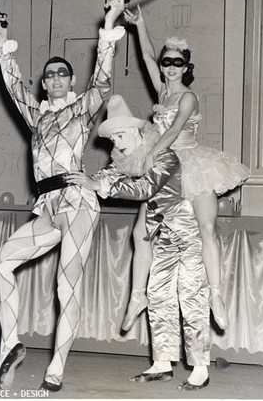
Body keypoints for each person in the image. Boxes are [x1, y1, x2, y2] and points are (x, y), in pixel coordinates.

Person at [0, 0, 126, 391]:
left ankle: (56, 369)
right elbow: (14, 87)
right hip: (46, 205)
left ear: (70, 80)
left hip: (77, 202)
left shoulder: (82, 109)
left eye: (63, 73)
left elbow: (102, 81)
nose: (58, 78)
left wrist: (110, 24)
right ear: (44, 83)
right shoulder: (37, 114)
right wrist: (1, 38)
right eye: (51, 75)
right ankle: (11, 344)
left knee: (66, 287)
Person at [67, 94, 211, 390]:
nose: (117, 143)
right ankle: (162, 362)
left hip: (189, 235)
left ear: (137, 132)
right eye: (113, 138)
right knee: (158, 295)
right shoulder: (127, 159)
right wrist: (84, 180)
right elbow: (105, 175)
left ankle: (200, 366)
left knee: (191, 295)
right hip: (166, 238)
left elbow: (144, 188)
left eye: (121, 135)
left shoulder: (164, 155)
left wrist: (99, 186)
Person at [119, 4, 249, 331]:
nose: (171, 67)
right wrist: (140, 23)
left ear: (186, 66)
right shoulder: (162, 88)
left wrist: (152, 156)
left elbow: (175, 130)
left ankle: (216, 296)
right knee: (141, 232)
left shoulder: (188, 97)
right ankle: (138, 295)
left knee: (207, 228)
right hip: (165, 168)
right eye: (167, 62)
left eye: (178, 62)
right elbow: (147, 55)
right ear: (163, 67)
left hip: (191, 164)